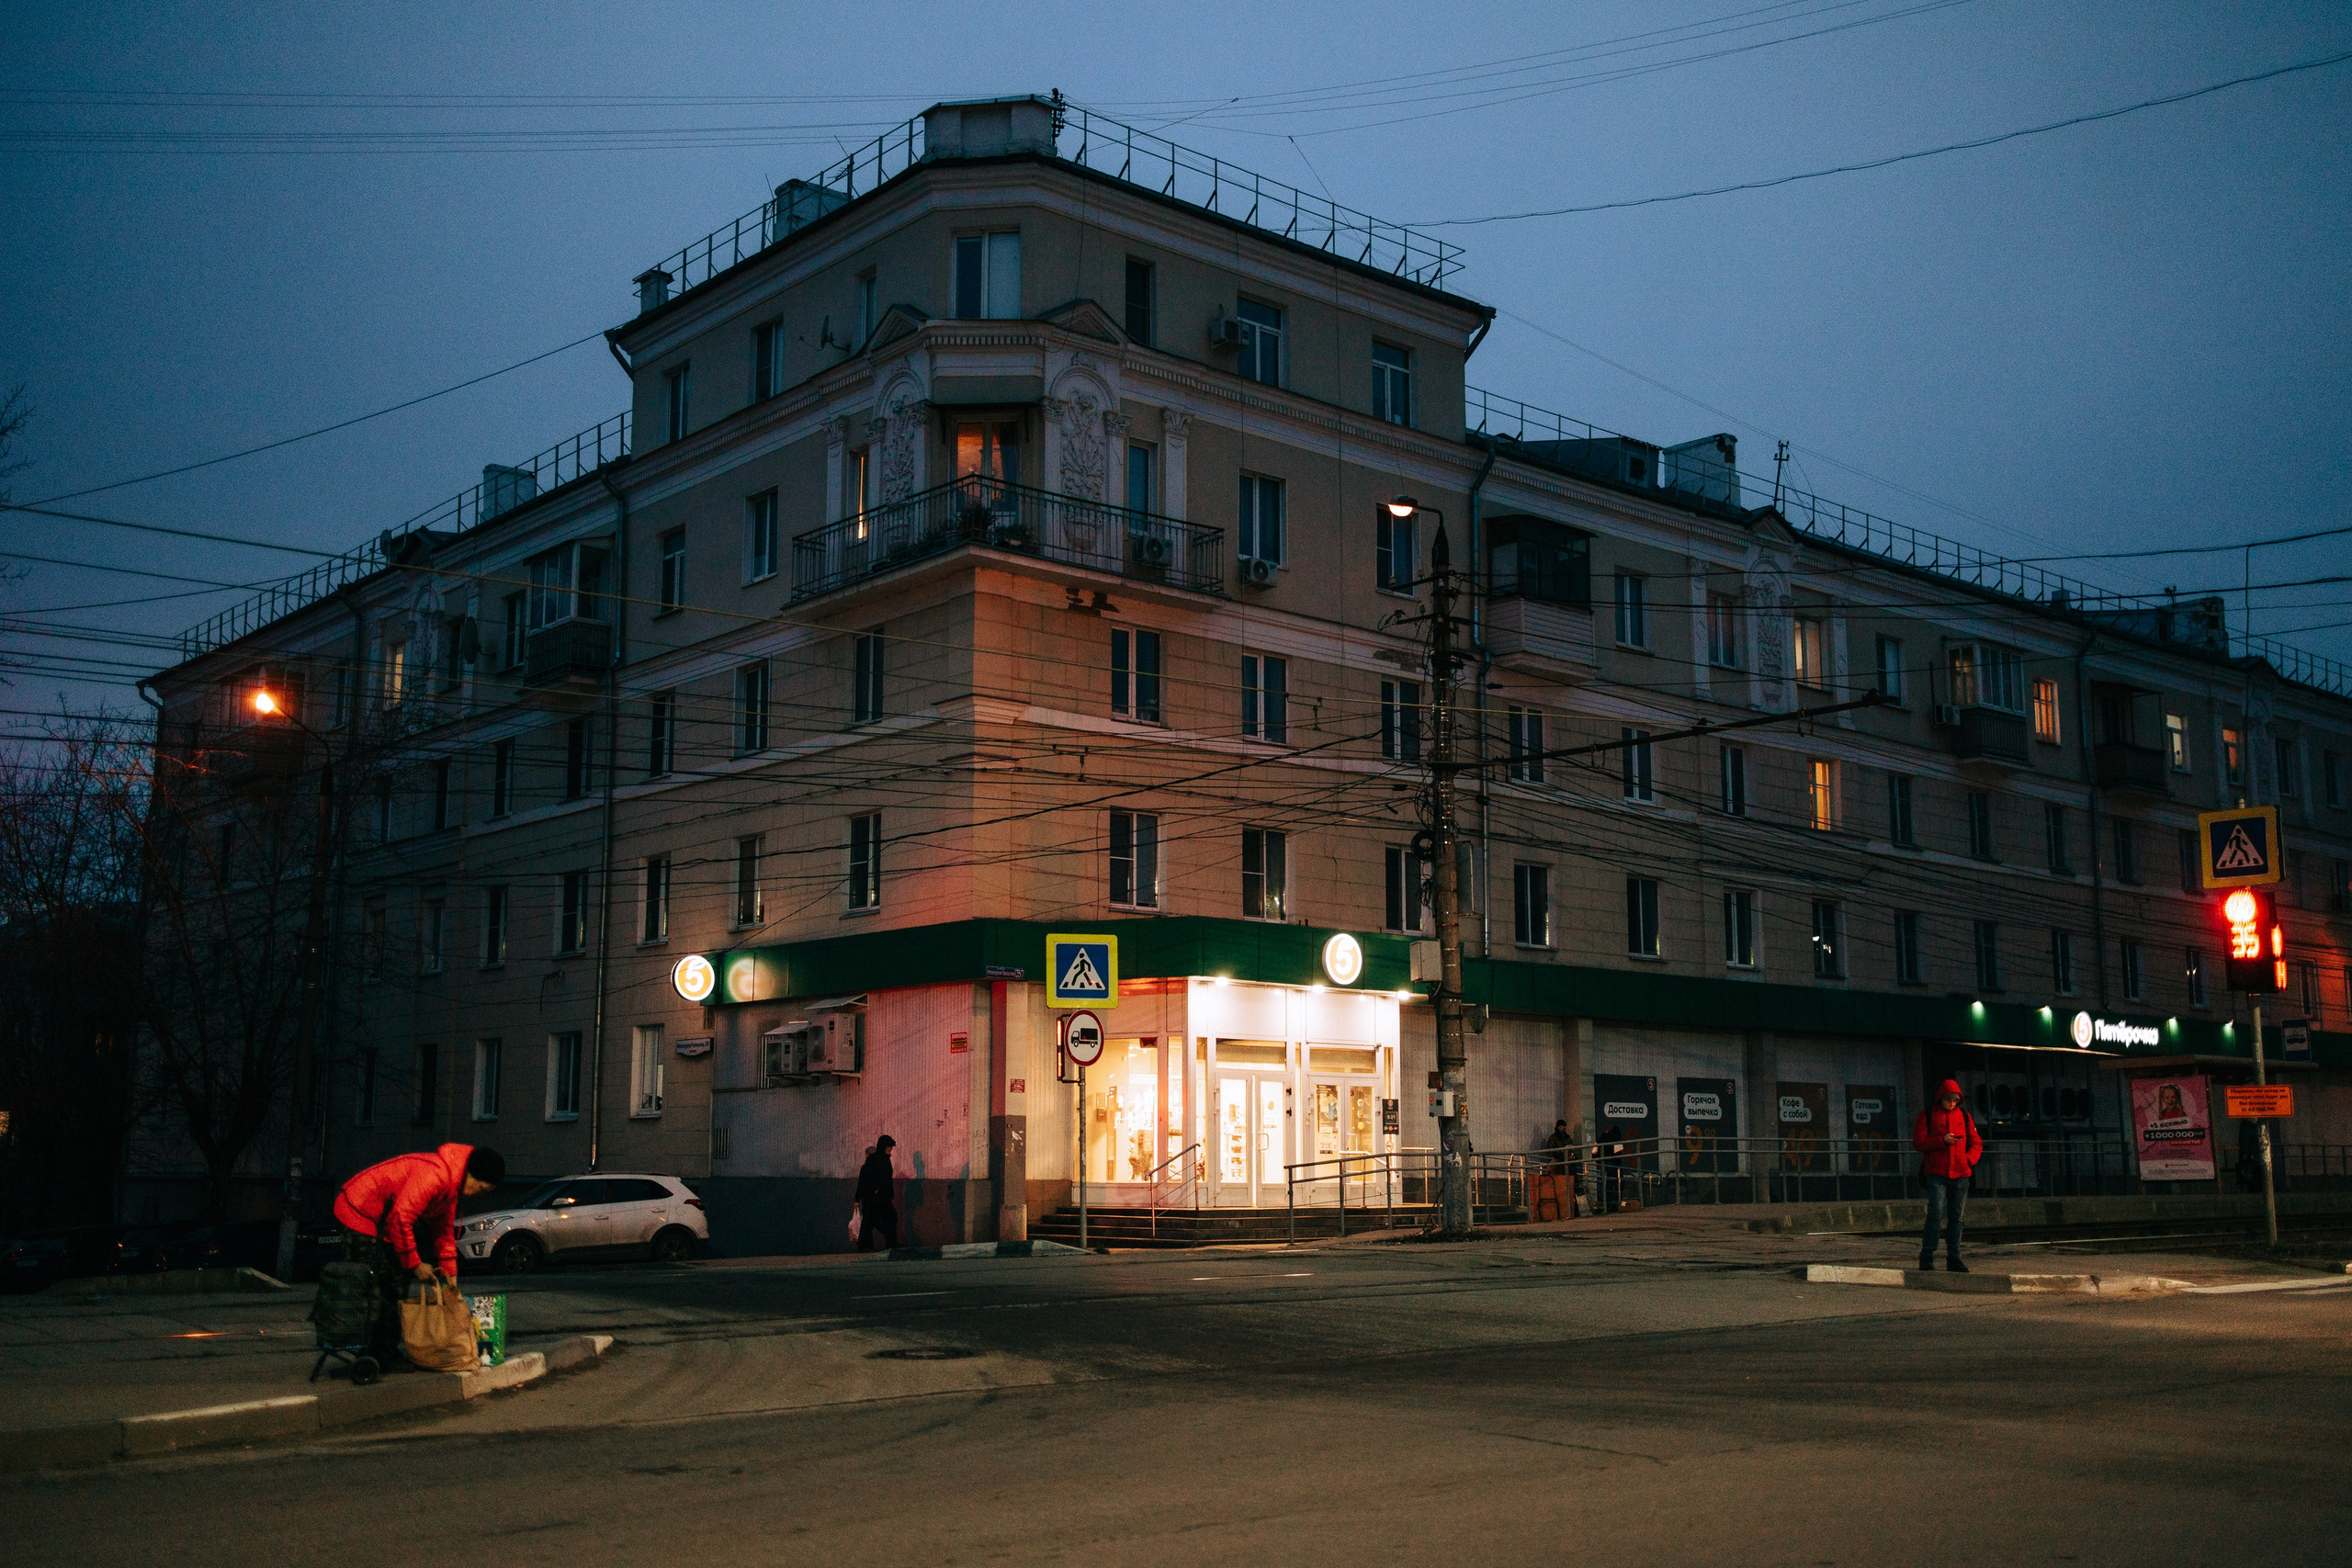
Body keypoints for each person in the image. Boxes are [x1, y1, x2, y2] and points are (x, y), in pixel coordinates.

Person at [332, 1143, 504, 1359]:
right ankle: (370, 1354)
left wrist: (451, 1280)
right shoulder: (435, 1175)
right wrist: (415, 1264)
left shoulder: (450, 1190)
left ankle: (385, 1350)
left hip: (383, 1220)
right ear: (470, 1174)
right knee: (377, 1285)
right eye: (480, 1189)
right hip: (359, 1211)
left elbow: (444, 1234)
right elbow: (401, 1218)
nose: (477, 1195)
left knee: (397, 1284)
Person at [1912, 1081, 1982, 1271]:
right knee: (1935, 1214)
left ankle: (1954, 1257)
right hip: (1937, 1172)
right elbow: (1918, 1142)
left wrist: (1968, 1160)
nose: (1951, 1103)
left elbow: (1976, 1143)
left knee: (1957, 1217)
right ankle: (1927, 1255)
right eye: (1948, 1100)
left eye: (1955, 1100)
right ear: (1940, 1098)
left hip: (1960, 1172)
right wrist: (1941, 1141)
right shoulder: (1927, 1115)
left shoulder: (1965, 1116)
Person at [854, 1135, 900, 1252]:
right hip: (874, 1198)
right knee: (870, 1221)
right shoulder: (873, 1159)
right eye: (889, 1146)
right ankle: (866, 1246)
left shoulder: (886, 1160)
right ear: (883, 1146)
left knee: (885, 1218)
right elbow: (866, 1178)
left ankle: (889, 1243)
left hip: (883, 1197)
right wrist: (875, 1189)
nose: (891, 1148)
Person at [1533, 1119, 1574, 1222]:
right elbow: (1551, 1152)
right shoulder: (1553, 1138)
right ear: (1558, 1127)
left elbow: (1572, 1148)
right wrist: (1561, 1156)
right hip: (1558, 1164)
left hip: (1567, 1163)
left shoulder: (1567, 1137)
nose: (1563, 1128)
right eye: (1561, 1126)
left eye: (1564, 1126)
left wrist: (1572, 1156)